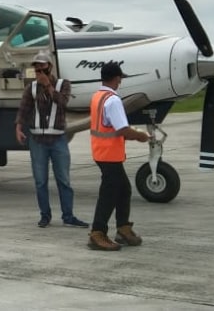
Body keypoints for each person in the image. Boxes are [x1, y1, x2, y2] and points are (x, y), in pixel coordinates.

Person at [15, 52, 89, 228]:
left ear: (50, 66)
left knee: (63, 179)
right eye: (36, 67)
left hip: (58, 139)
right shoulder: (31, 88)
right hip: (37, 140)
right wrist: (18, 127)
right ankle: (45, 215)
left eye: (42, 66)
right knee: (40, 181)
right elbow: (24, 108)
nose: (39, 69)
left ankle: (68, 216)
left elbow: (63, 103)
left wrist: (48, 86)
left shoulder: (64, 84)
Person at [87, 61, 151, 251]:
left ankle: (123, 228)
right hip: (109, 154)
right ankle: (97, 233)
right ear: (117, 78)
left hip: (102, 151)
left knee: (124, 189)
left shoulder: (98, 96)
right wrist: (141, 136)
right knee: (110, 193)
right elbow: (122, 129)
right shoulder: (113, 100)